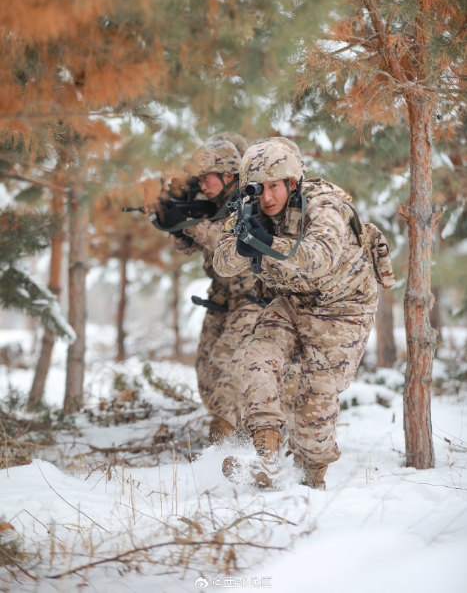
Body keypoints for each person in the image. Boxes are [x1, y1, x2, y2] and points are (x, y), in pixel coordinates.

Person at [213, 137, 381, 489]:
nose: (267, 198)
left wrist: (268, 243)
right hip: (294, 301)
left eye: (275, 187)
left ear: (291, 182)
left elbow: (319, 259)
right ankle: (269, 458)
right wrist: (243, 245)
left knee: (315, 398)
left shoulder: (325, 206)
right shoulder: (251, 208)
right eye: (259, 189)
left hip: (342, 308)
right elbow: (222, 263)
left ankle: (310, 478)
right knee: (257, 358)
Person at [156, 137, 267, 442]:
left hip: (253, 298)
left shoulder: (252, 201)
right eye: (199, 179)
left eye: (207, 178)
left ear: (229, 176)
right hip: (221, 298)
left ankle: (228, 439)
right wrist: (171, 223)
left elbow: (230, 242)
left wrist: (187, 223)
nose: (202, 185)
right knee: (206, 372)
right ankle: (235, 428)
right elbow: (188, 247)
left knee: (226, 364)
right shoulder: (211, 203)